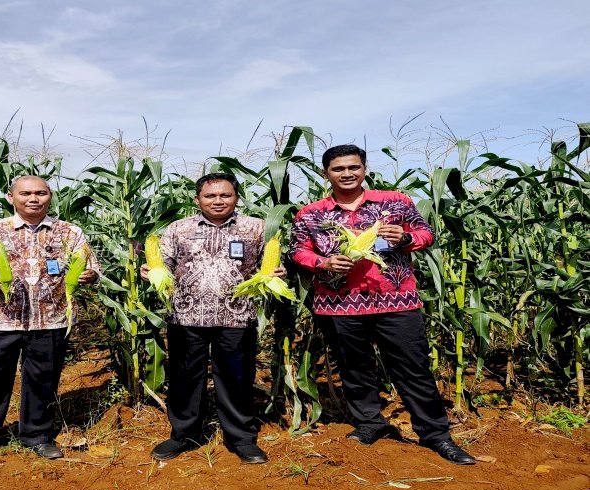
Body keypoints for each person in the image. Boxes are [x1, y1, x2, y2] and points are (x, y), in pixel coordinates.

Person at [290, 144, 475, 465]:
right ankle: (370, 423)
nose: (346, 174)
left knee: (412, 369)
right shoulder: (311, 213)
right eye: (338, 169)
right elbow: (297, 251)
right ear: (326, 173)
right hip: (339, 305)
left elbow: (426, 233)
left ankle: (435, 435)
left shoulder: (395, 202)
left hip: (396, 302)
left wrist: (404, 239)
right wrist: (323, 262)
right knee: (354, 369)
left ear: (364, 169)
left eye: (353, 167)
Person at [140, 172, 286, 465]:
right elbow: (163, 263)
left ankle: (241, 439)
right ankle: (184, 434)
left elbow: (268, 265)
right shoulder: (177, 229)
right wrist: (151, 270)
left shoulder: (257, 229)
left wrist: (277, 272)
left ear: (236, 197)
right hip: (185, 316)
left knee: (237, 378)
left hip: (236, 316)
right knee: (184, 378)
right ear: (197, 199)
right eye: (210, 196)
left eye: (225, 195)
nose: (218, 201)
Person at [0, 175, 99, 459]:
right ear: (11, 197)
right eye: (25, 193)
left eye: (41, 193)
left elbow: (93, 267)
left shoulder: (69, 232)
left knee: (42, 380)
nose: (33, 199)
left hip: (50, 319)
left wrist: (89, 274)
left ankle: (37, 435)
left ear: (50, 196)